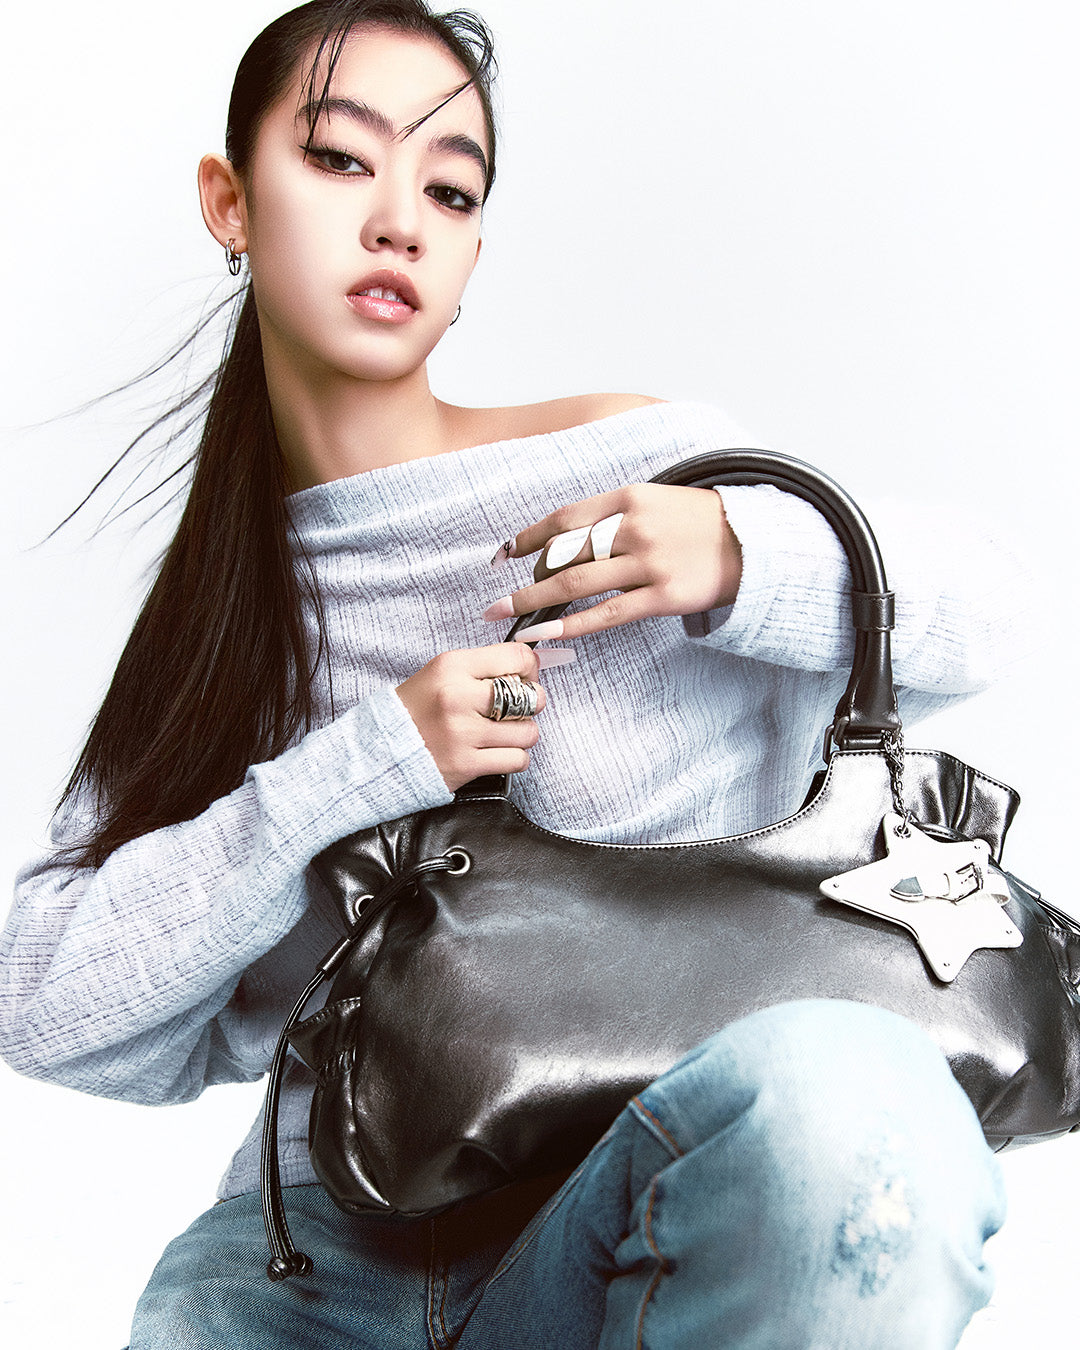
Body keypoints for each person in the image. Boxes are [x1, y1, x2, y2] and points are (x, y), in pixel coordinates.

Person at [0, 2, 1025, 1345]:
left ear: (474, 247)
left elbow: (988, 615)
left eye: (450, 190)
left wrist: (740, 553)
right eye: (340, 159)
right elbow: (46, 1001)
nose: (398, 223)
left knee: (853, 1098)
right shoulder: (227, 618)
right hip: (315, 1274)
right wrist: (366, 763)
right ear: (229, 202)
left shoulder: (634, 469)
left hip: (666, 1202)